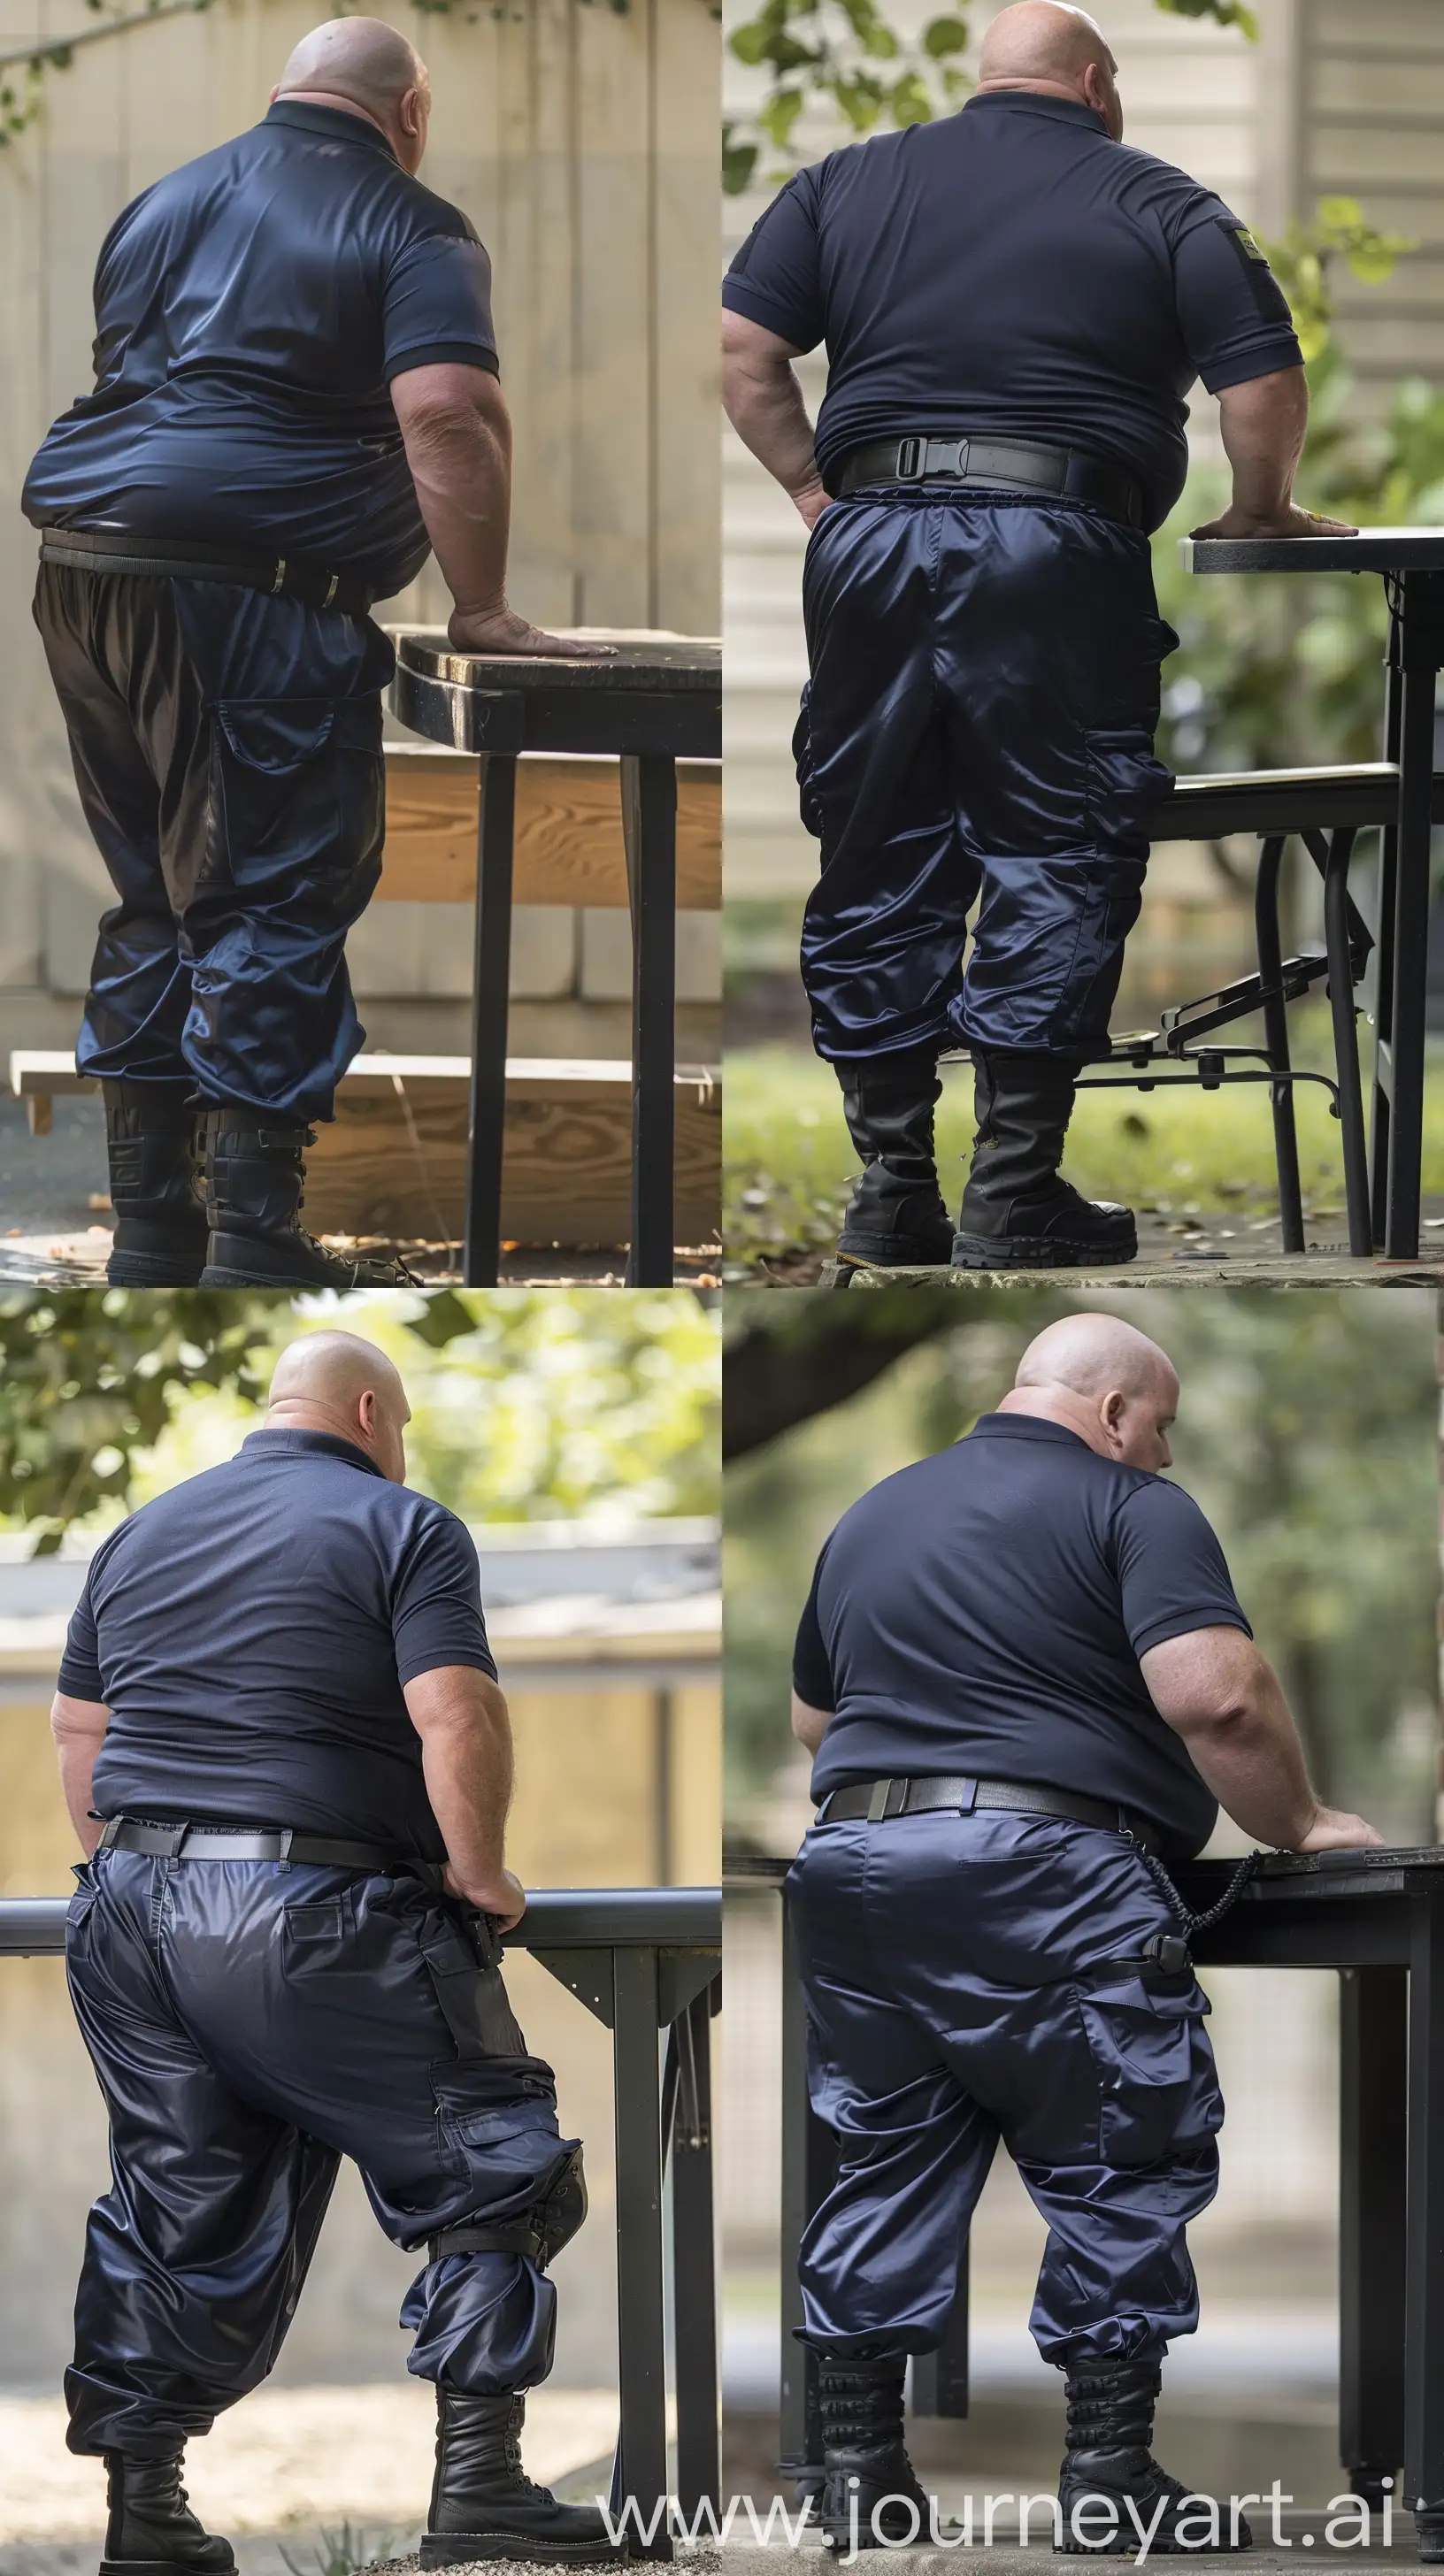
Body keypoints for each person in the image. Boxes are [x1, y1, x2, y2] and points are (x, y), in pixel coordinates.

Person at [721, 0, 1355, 1276]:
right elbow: (1264, 385)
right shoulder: (1163, 202)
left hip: (873, 543)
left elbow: (747, 351)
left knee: (876, 840)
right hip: (1056, 540)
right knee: (1055, 844)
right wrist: (1262, 510)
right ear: (1098, 88)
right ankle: (1013, 1191)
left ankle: (892, 1191)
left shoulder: (841, 182)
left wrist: (809, 488)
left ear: (984, 83)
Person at [23, 20, 610, 1292]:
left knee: (155, 893)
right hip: (249, 598)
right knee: (269, 898)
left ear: (285, 93)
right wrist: (486, 604)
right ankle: (251, 1242)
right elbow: (446, 409)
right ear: (412, 109)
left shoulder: (164, 200)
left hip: (84, 570)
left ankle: (153, 1229)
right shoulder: (413, 223)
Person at [785, 1313, 1380, 2551]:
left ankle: (856, 2480)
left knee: (883, 2156)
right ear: (1114, 1412)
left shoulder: (874, 1514)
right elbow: (1216, 1697)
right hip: (1048, 1874)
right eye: (1159, 1429)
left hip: (855, 1871)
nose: (1162, 1456)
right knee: (1119, 2151)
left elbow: (814, 1723)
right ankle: (1111, 2485)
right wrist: (1306, 1821)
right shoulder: (1134, 1509)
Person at [50, 1331, 618, 2573]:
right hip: (309, 1905)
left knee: (174, 2208)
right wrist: (478, 1873)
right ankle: (482, 2487)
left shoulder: (141, 1532)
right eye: (400, 1429)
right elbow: (453, 1708)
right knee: (496, 2165)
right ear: (371, 1411)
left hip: (130, 1912)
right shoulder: (403, 1525)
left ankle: (144, 2519)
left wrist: (122, 1872)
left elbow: (78, 1731)